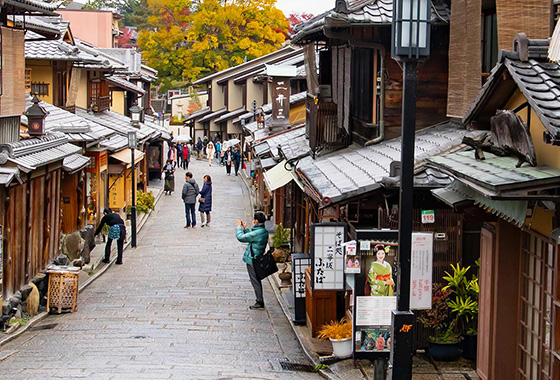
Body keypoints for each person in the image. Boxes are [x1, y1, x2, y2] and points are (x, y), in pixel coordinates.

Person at [236, 212, 269, 310]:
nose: (253, 221)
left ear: (256, 221)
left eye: (254, 219)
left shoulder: (259, 232)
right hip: (256, 258)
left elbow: (241, 238)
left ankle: (259, 301)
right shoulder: (262, 231)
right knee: (256, 280)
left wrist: (239, 228)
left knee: (255, 281)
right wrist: (245, 229)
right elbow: (251, 238)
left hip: (253, 259)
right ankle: (259, 300)